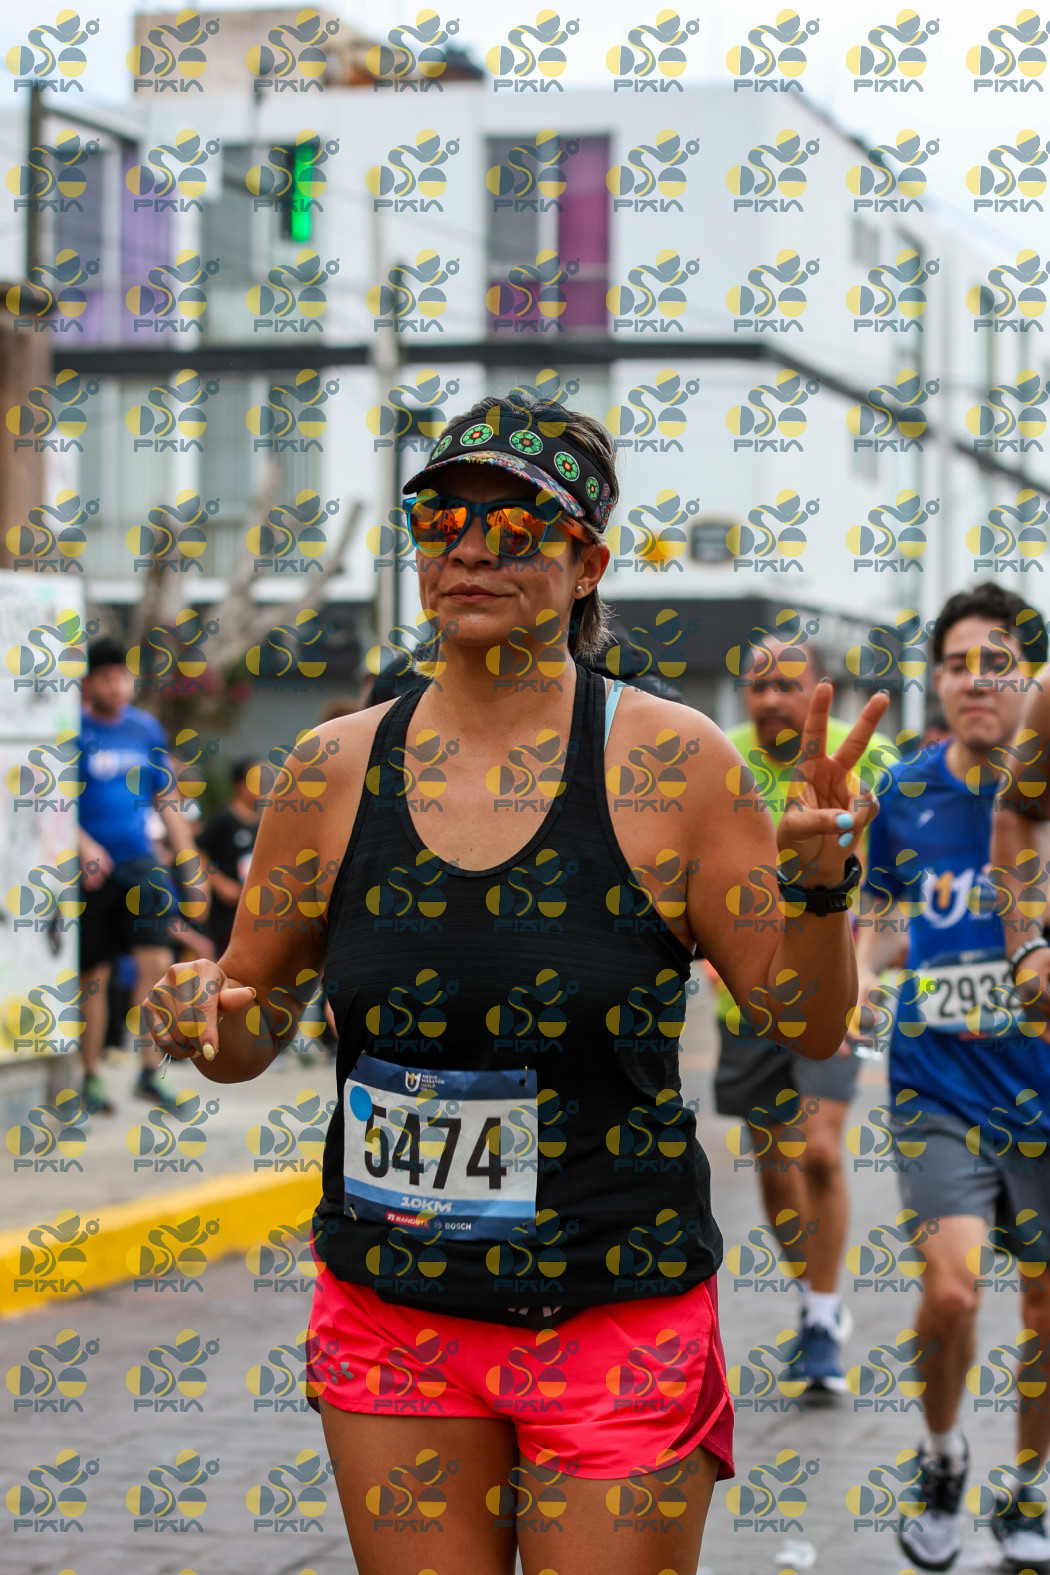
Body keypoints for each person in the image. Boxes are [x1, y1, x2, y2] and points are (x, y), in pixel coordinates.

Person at [144, 394, 887, 1572]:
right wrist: (198, 1017)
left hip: (613, 1307)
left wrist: (821, 886)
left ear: (587, 565)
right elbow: (248, 1027)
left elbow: (807, 1021)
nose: (472, 549)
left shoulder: (675, 764)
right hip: (394, 1311)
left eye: (519, 525)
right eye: (443, 519)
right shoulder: (329, 770)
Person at [855, 584, 1050, 1575]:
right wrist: (859, 972)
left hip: (1043, 1083)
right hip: (937, 1080)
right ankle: (942, 1460)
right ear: (935, 680)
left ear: (1031, 681)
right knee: (953, 1291)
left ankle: (1030, 1487)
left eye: (998, 662)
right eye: (958, 663)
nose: (977, 680)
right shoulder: (904, 790)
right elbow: (882, 914)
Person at [712, 635, 892, 1393]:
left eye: (788, 683)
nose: (772, 698)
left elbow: (886, 884)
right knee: (775, 1163)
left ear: (821, 687)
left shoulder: (867, 758)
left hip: (833, 993)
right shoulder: (719, 758)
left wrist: (868, 966)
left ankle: (819, 1320)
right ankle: (817, 1298)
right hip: (747, 998)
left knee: (818, 1150)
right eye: (759, 685)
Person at [78, 637, 199, 1113]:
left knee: (156, 964)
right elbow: (53, 801)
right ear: (89, 683)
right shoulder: (72, 731)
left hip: (139, 863)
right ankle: (89, 1077)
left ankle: (150, 1072)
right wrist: (82, 845)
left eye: (123, 677)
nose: (117, 686)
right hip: (89, 871)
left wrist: (188, 859)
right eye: (107, 678)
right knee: (93, 975)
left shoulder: (145, 729)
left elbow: (166, 797)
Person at [196, 758, 263, 957]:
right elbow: (198, 853)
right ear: (239, 785)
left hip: (253, 913)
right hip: (225, 916)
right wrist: (220, 883)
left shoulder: (263, 822)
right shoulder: (223, 820)